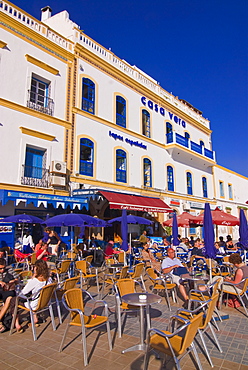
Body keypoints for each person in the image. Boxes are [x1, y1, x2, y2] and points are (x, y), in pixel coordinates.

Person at [11, 260, 52, 332]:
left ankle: (16, 324)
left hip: (34, 304)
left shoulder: (35, 281)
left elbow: (23, 292)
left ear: (37, 268)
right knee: (32, 296)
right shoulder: (49, 279)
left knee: (14, 300)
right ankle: (34, 317)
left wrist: (32, 279)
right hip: (44, 302)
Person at [0, 258, 19, 332]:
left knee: (9, 299)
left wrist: (14, 281)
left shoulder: (9, 270)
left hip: (8, 291)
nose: (2, 270)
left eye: (3, 268)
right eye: (0, 268)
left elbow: (18, 278)